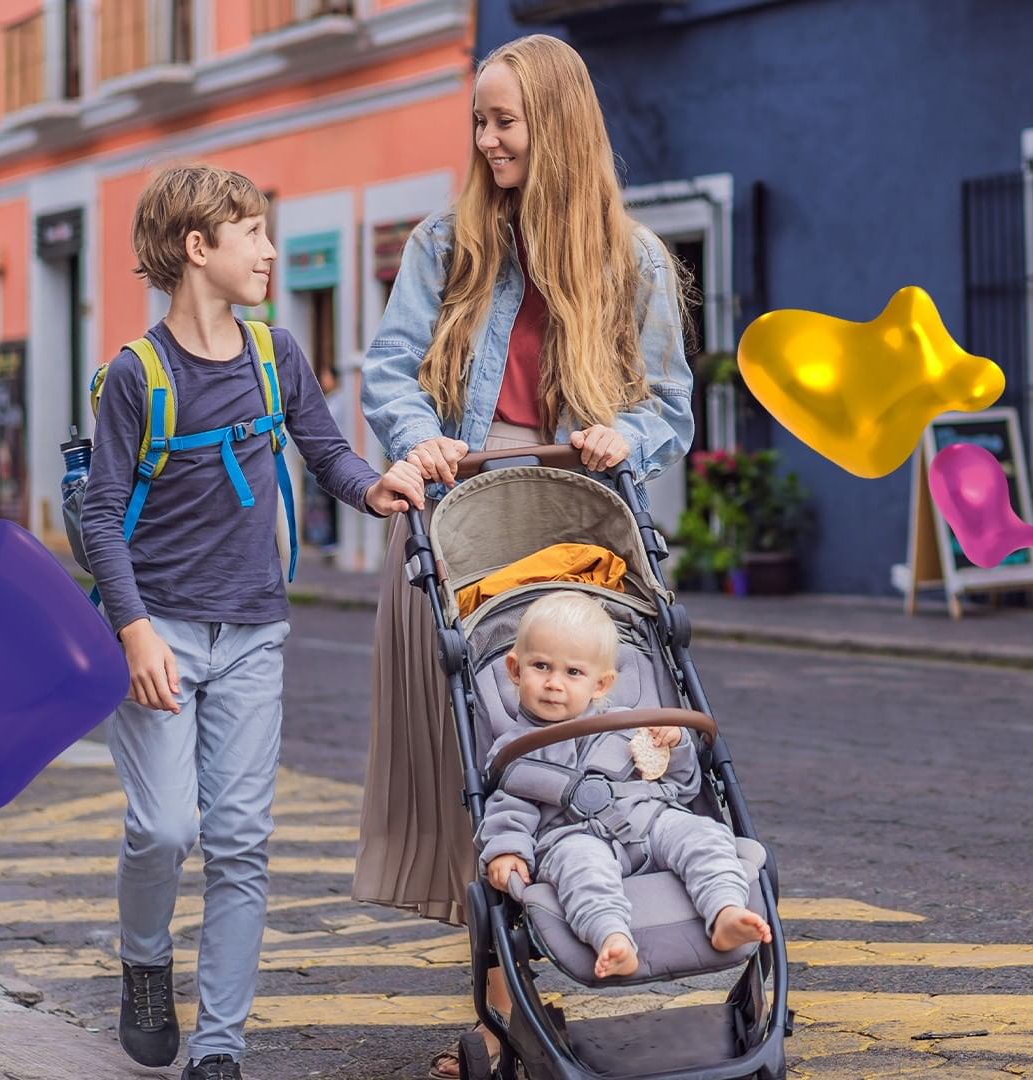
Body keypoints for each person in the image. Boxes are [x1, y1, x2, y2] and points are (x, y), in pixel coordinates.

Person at [354, 32, 695, 1079]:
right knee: (484, 763)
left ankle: (575, 955)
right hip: (460, 524)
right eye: (480, 124)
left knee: (584, 749)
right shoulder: (443, 243)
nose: (489, 140)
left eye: (505, 121)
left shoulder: (629, 259)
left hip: (579, 524)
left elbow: (669, 407)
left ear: (556, 123)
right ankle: (503, 1001)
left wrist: (622, 436)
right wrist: (418, 436)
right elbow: (386, 367)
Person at [79, 163, 425, 1080]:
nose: (270, 250)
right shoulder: (135, 375)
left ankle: (220, 1048)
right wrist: (134, 629)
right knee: (163, 830)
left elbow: (326, 452)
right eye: (252, 234)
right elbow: (102, 515)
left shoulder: (277, 356)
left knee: (239, 841)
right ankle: (144, 961)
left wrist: (375, 487)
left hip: (253, 635)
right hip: (162, 635)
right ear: (198, 249)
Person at [476, 592, 771, 981]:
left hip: (651, 823)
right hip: (572, 837)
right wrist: (506, 850)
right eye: (541, 666)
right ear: (514, 670)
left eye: (573, 673)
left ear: (601, 684)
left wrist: (676, 745)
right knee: (582, 868)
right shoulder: (516, 749)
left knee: (704, 834)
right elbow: (508, 806)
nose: (554, 684)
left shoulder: (628, 724)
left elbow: (681, 788)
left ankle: (725, 912)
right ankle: (612, 939)